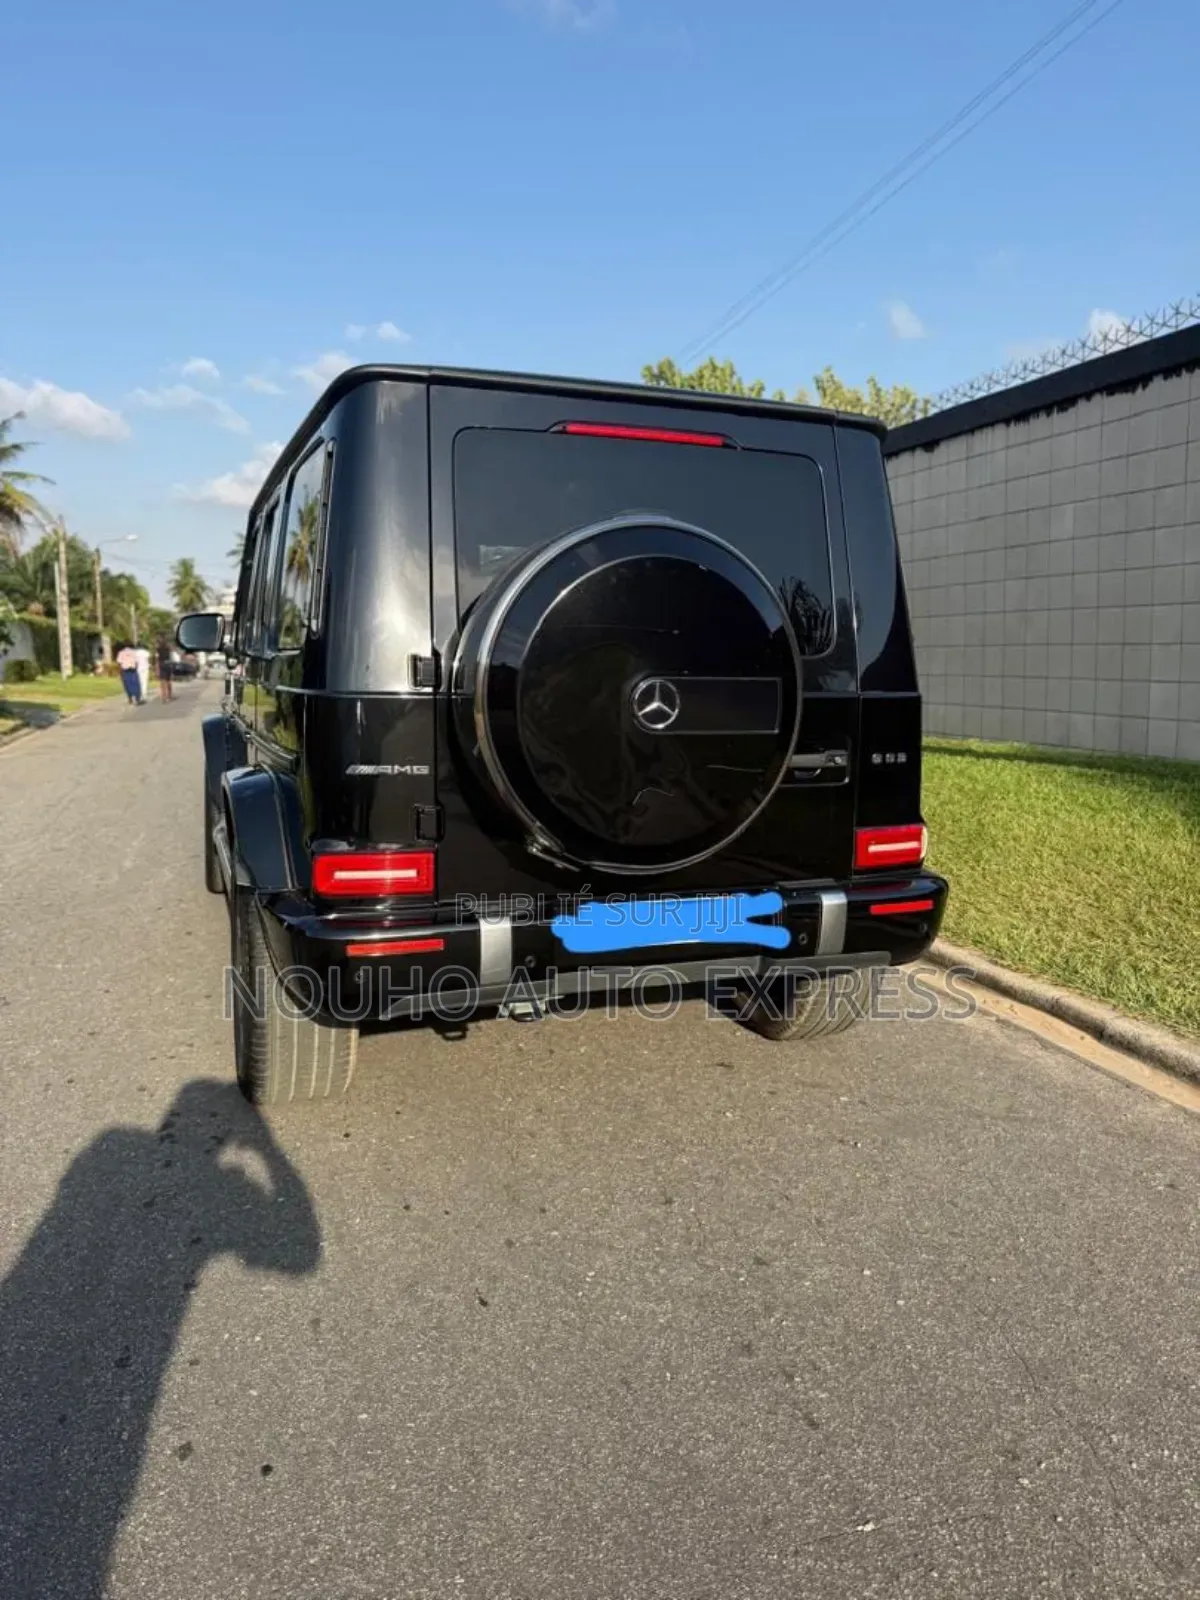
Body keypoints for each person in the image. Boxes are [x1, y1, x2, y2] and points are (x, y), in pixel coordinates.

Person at [155, 635, 173, 702]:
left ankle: (163, 697)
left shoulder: (158, 649)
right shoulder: (169, 648)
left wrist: (157, 669)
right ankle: (169, 696)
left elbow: (157, 659)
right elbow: (171, 657)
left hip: (161, 664)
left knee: (163, 681)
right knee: (169, 681)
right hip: (168, 664)